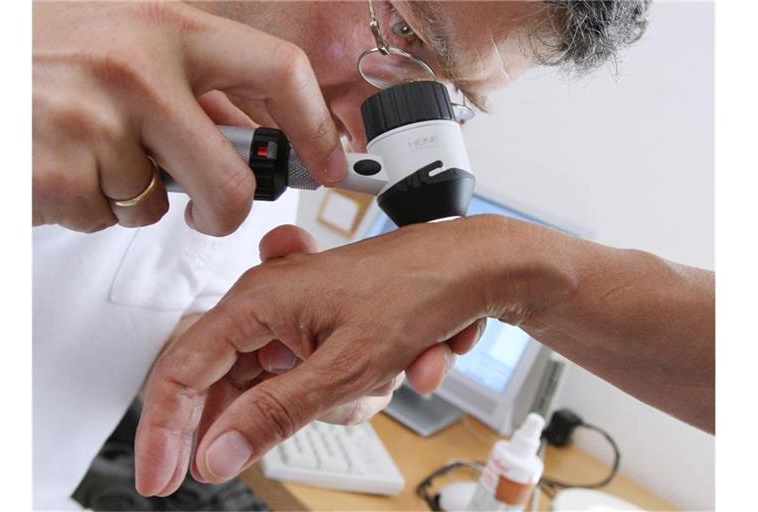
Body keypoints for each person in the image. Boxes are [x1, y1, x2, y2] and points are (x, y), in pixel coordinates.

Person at [32, 0, 656, 505]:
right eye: (405, 33)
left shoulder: (263, 165)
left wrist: (280, 359)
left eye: (452, 96)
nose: (369, 128)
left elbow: (117, 333)